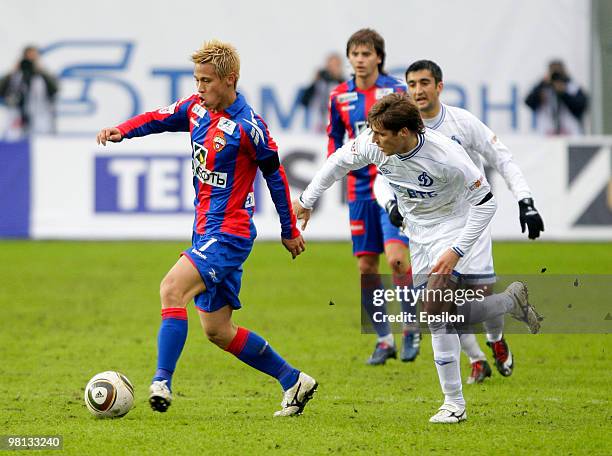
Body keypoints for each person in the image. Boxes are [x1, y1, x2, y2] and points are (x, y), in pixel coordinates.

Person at [95, 40, 317, 417]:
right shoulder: (196, 109)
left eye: (207, 81)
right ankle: (293, 380)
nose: (199, 88)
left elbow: (276, 177)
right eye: (197, 80)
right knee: (218, 330)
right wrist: (122, 130)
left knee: (171, 288)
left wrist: (288, 228)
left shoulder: (250, 128)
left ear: (230, 80)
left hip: (229, 234)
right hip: (204, 231)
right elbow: (157, 118)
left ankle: (161, 381)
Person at [293, 92, 542, 423]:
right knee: (445, 316)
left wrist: (456, 251)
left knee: (433, 309)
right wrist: (307, 199)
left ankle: (454, 404)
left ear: (405, 133)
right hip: (418, 233)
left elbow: (486, 203)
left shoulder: (447, 155)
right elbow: (338, 162)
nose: (374, 139)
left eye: (382, 133)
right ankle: (510, 303)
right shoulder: (373, 143)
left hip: (454, 228)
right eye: (374, 132)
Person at [376, 60, 545, 384]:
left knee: (478, 300)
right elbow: (382, 174)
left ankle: (495, 338)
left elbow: (502, 159)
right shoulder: (400, 129)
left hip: (469, 221)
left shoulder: (462, 123)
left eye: (424, 83)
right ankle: (476, 359)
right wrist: (390, 203)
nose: (417, 90)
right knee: (439, 306)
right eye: (411, 84)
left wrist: (525, 200)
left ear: (439, 86)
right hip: (427, 227)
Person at [327, 28, 419, 365]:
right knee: (367, 266)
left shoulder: (396, 91)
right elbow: (334, 138)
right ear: (349, 58)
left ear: (379, 57)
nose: (361, 60)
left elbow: (413, 132)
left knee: (396, 260)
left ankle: (411, 328)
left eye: (367, 54)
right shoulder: (339, 95)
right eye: (355, 54)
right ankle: (384, 340)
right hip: (359, 190)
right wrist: (330, 173)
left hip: (394, 186)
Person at [0, 45, 59, 139]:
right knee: (13, 139)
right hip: (17, 115)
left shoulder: (42, 76)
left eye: (33, 58)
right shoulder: (15, 76)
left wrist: (42, 71)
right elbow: (2, 90)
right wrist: (12, 72)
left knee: (41, 140)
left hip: (40, 115)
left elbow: (55, 90)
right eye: (28, 57)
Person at [525, 59, 588, 135]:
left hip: (570, 133)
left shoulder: (572, 87)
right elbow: (528, 102)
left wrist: (564, 93)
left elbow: (581, 107)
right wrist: (541, 85)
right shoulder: (543, 88)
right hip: (547, 133)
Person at [299, 53, 344, 132]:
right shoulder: (319, 83)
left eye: (336, 66)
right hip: (317, 124)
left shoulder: (345, 85)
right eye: (330, 66)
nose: (332, 69)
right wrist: (314, 81)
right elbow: (304, 101)